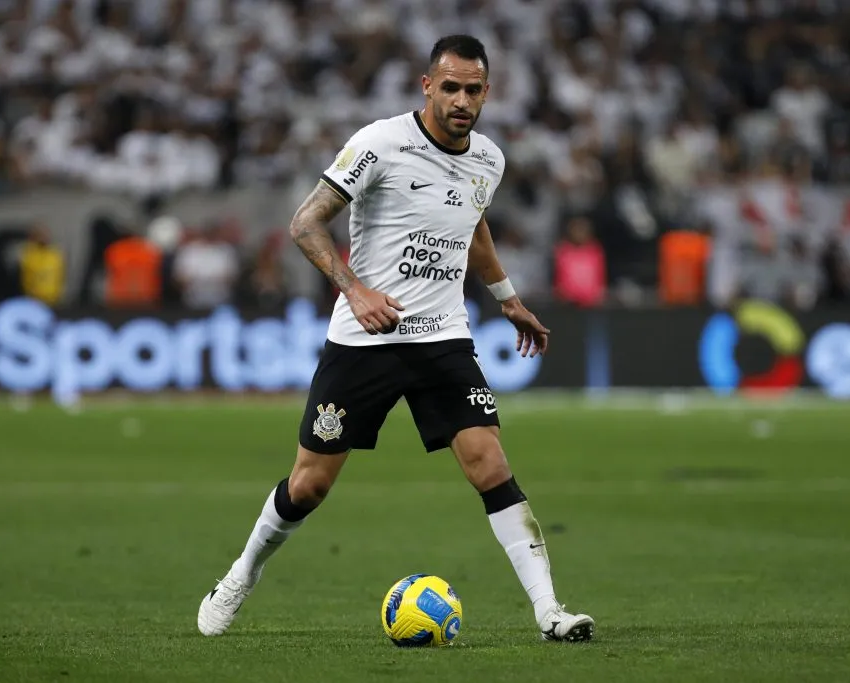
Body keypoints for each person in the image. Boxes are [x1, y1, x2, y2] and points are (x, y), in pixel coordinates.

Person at [197, 35, 594, 643]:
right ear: (427, 84)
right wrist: (354, 290)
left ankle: (549, 612)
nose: (462, 100)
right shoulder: (380, 143)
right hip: (365, 340)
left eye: (474, 89)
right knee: (310, 484)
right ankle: (238, 576)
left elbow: (473, 226)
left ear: (487, 93)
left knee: (489, 463)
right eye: (452, 86)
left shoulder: (489, 159)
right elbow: (305, 224)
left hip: (442, 340)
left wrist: (508, 299)